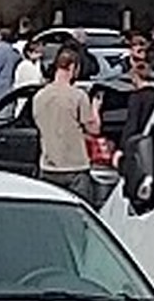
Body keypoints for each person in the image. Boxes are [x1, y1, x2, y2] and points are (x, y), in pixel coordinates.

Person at [32, 47, 102, 207]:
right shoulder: (78, 96)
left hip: (48, 166)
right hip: (75, 167)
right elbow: (94, 129)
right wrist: (95, 109)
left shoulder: (39, 97)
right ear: (73, 68)